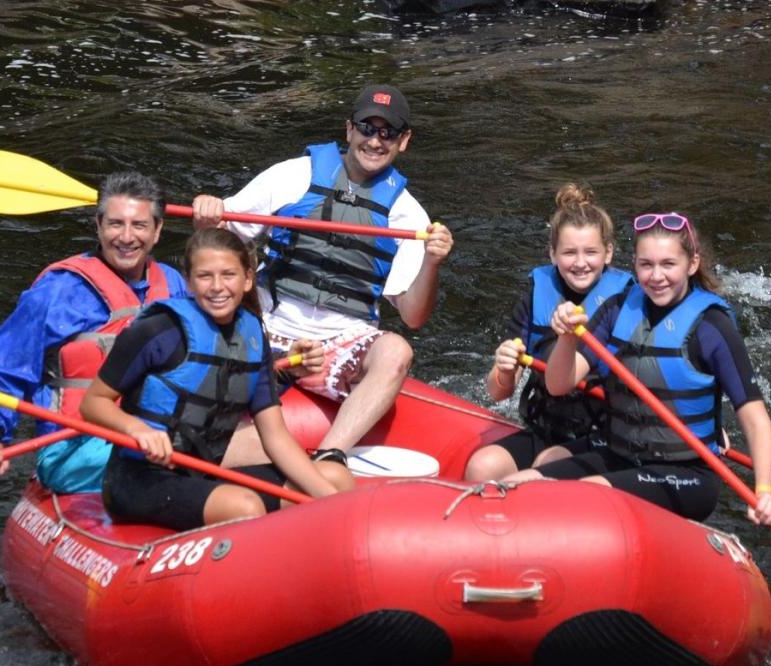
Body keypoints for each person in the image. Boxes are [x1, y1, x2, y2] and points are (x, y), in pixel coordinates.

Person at [190, 83, 455, 467]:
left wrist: (433, 263)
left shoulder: (407, 215)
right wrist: (208, 216)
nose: (375, 141)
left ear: (404, 140)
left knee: (397, 350)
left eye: (388, 133)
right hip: (269, 325)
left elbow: (413, 316)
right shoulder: (293, 176)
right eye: (367, 128)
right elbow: (219, 245)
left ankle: (330, 457)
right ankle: (206, 446)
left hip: (341, 341)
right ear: (349, 129)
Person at [503, 211, 771, 528]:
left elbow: (754, 417)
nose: (656, 276)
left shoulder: (712, 326)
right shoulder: (618, 308)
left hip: (686, 472)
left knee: (580, 497)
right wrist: (567, 338)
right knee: (518, 486)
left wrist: (765, 491)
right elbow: (557, 385)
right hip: (618, 452)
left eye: (668, 264)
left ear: (691, 264)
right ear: (634, 265)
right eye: (646, 265)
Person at [79, 228, 355, 530]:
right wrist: (137, 429)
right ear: (189, 281)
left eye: (228, 275)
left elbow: (275, 437)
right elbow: (92, 404)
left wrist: (331, 500)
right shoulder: (159, 330)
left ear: (248, 279)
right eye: (205, 276)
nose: (217, 287)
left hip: (204, 473)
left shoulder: (252, 337)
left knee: (335, 477)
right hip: (139, 478)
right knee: (245, 506)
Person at [0, 171, 189, 493]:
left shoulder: (173, 285)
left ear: (157, 231)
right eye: (115, 224)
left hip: (159, 432)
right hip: (73, 444)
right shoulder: (58, 292)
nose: (126, 237)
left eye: (139, 225)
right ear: (98, 226)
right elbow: (7, 369)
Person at [464, 183, 634, 482]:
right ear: (552, 254)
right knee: (483, 465)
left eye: (590, 252)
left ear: (608, 253)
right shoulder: (536, 293)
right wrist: (505, 368)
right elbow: (498, 391)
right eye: (569, 252)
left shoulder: (627, 303)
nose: (580, 263)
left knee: (546, 463)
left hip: (605, 436)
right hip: (546, 428)